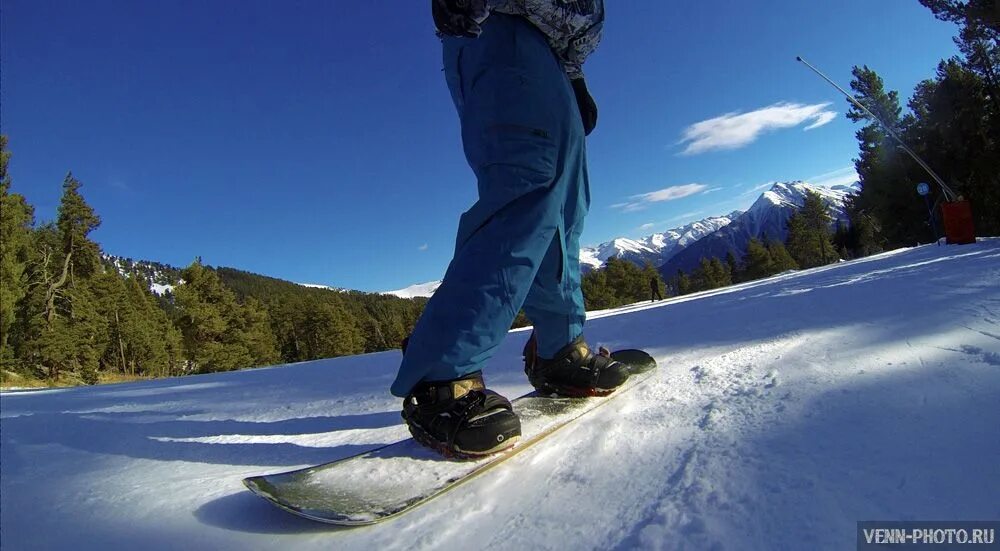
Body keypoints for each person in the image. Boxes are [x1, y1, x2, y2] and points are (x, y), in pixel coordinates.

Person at [391, 0, 629, 458]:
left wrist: (574, 74)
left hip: (552, 52)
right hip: (500, 27)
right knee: (527, 188)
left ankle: (561, 348)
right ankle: (443, 379)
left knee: (566, 209)